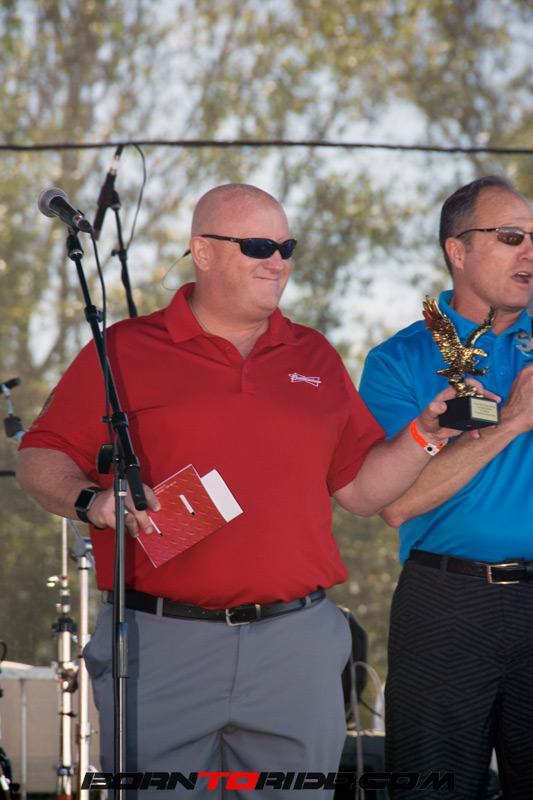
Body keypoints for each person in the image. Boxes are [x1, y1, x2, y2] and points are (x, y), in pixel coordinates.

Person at [17, 183, 456, 799]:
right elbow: (40, 454)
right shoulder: (124, 349)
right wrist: (94, 501)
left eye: (286, 247)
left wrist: (424, 435)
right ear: (202, 251)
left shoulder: (313, 354)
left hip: (295, 645)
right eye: (257, 246)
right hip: (161, 641)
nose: (277, 261)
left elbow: (360, 491)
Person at [359, 174, 533, 800]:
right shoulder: (398, 360)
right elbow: (395, 503)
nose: (530, 252)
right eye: (511, 237)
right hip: (445, 602)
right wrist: (510, 423)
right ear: (457, 250)